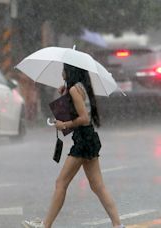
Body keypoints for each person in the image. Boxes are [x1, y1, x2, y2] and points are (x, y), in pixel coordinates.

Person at [22, 64, 124, 228]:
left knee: (61, 183)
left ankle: (45, 225)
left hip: (83, 140)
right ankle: (118, 225)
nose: (61, 72)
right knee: (97, 186)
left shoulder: (75, 90)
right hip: (88, 138)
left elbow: (83, 118)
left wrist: (64, 124)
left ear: (70, 72)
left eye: (64, 69)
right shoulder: (80, 87)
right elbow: (80, 111)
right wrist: (64, 95)